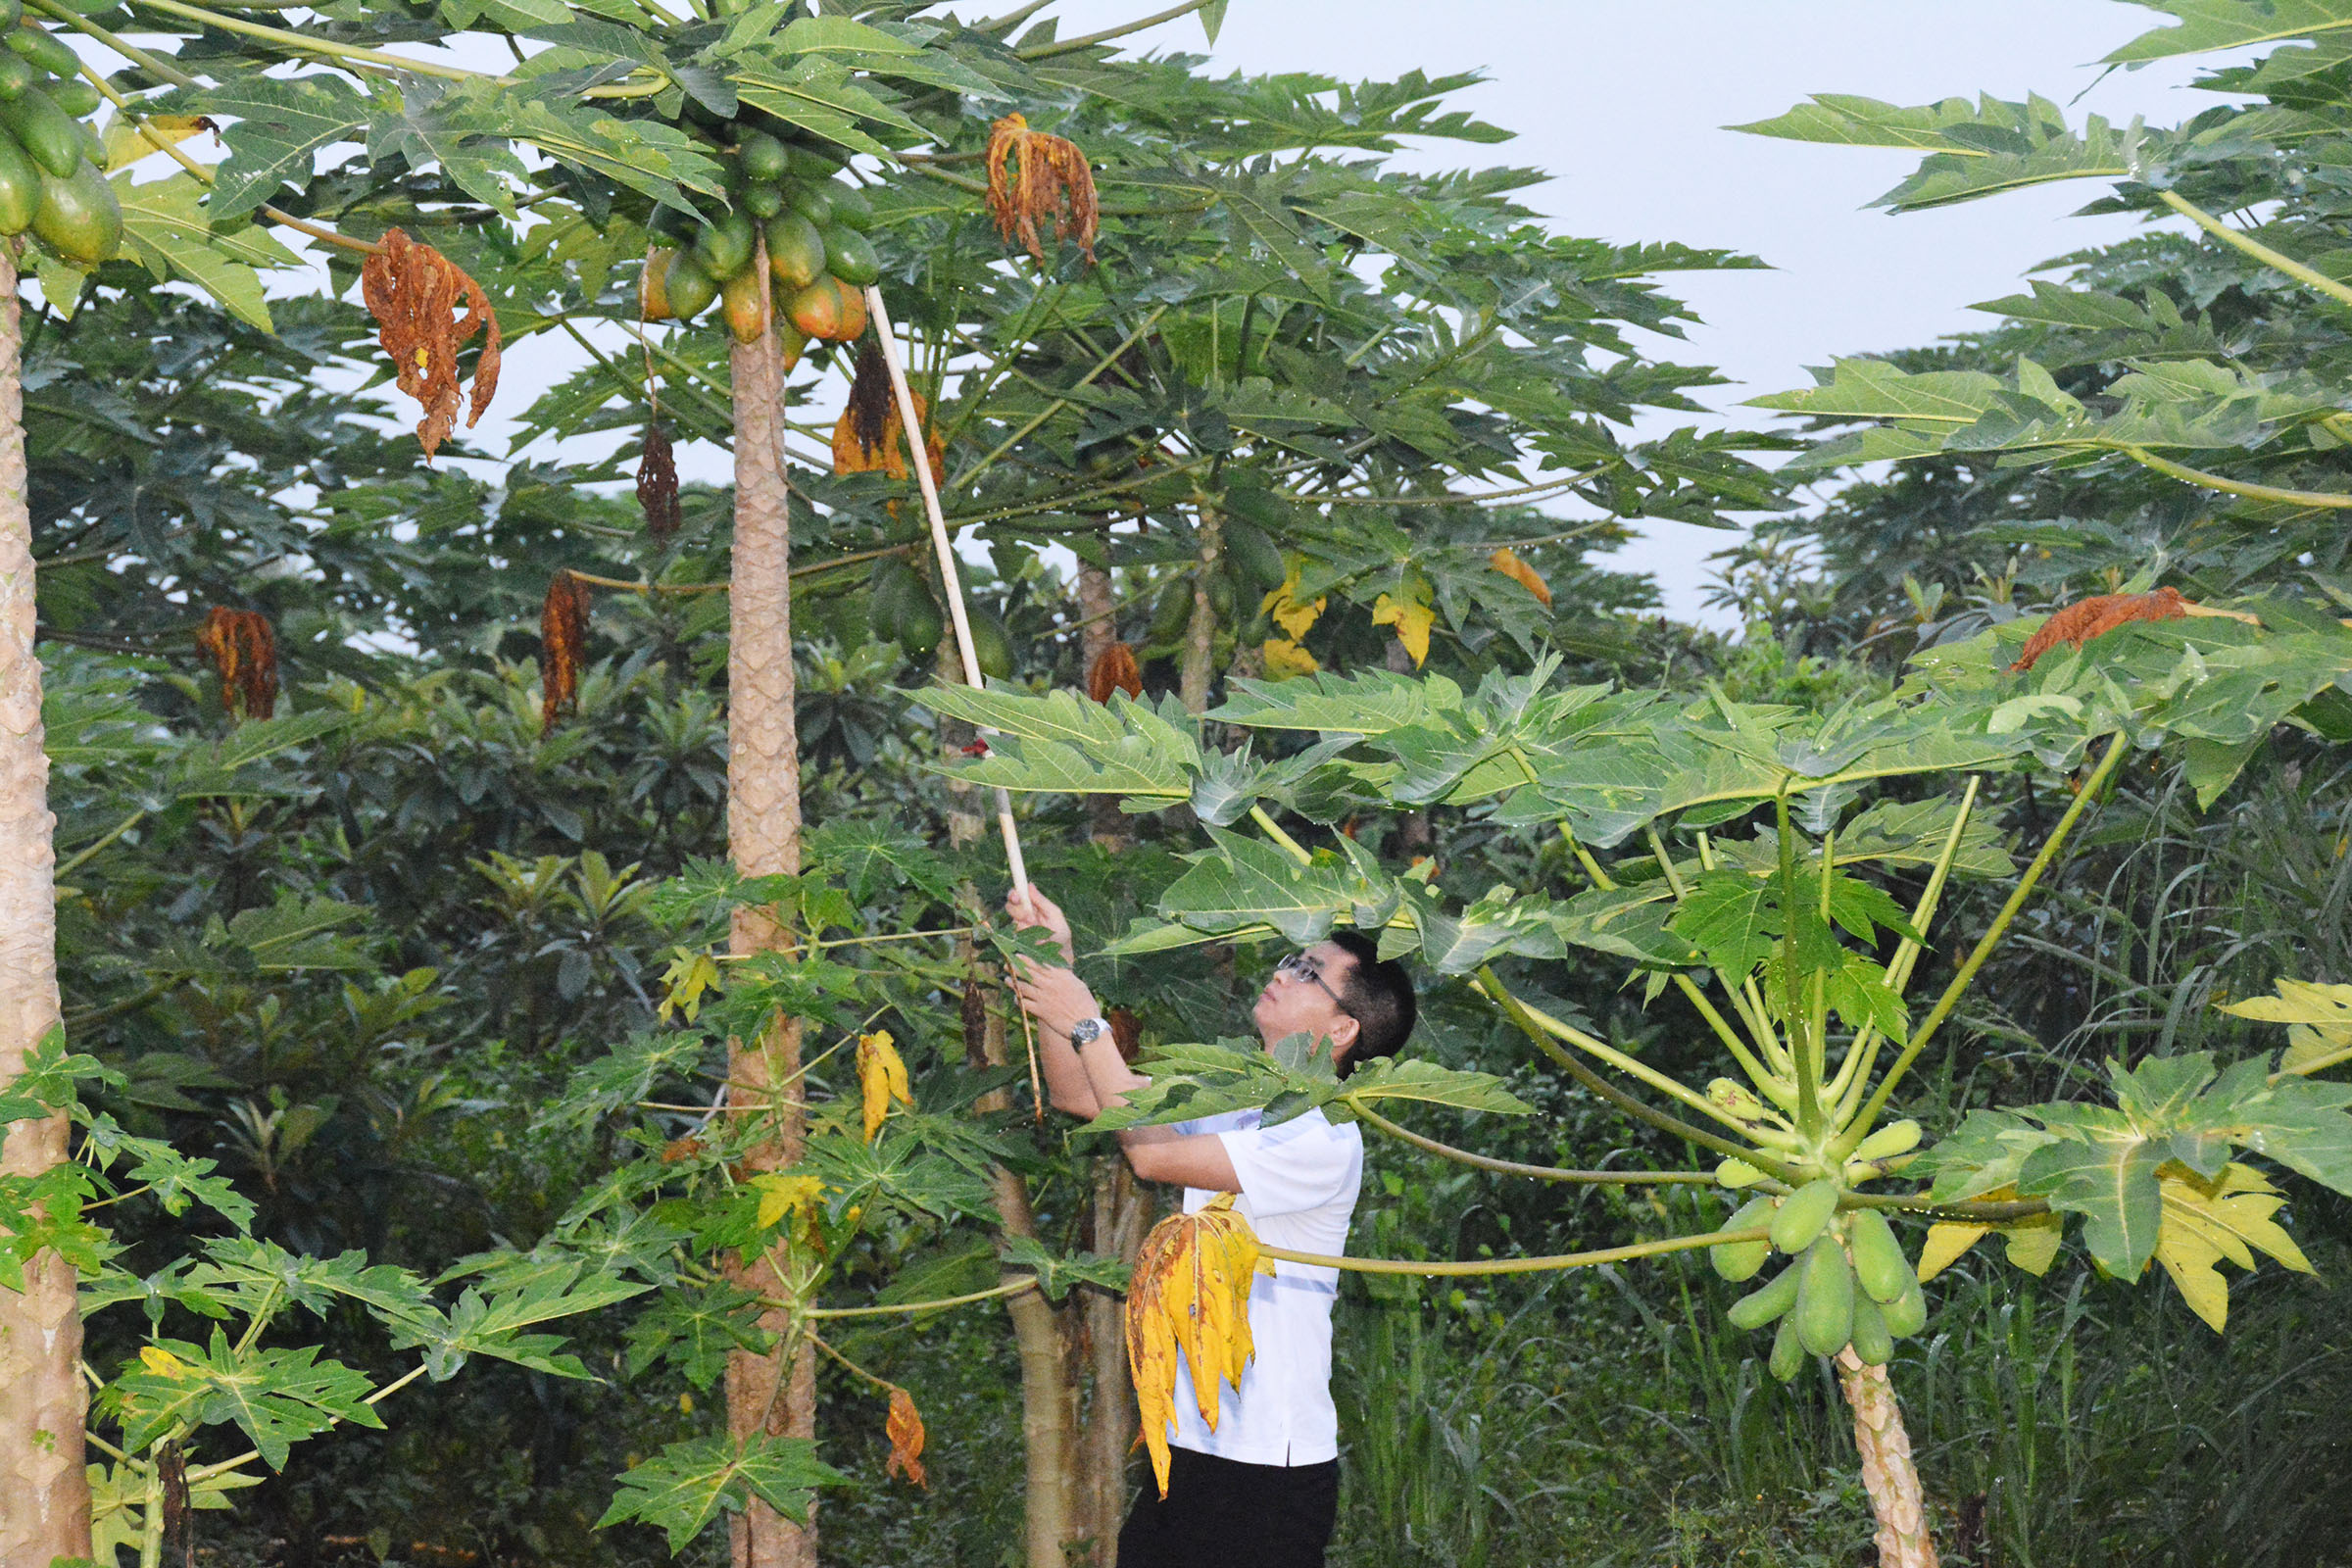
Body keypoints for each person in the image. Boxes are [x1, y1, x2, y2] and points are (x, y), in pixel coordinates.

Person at [1004, 885, 1418, 1568]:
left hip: (1267, 1466)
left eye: (1309, 973)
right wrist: (1058, 965)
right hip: (1192, 1441)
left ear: (1343, 1031)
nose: (1283, 973)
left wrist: (1086, 1021)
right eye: (1292, 959)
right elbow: (1084, 1095)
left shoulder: (1324, 1136)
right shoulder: (1240, 1103)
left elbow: (1152, 1153)